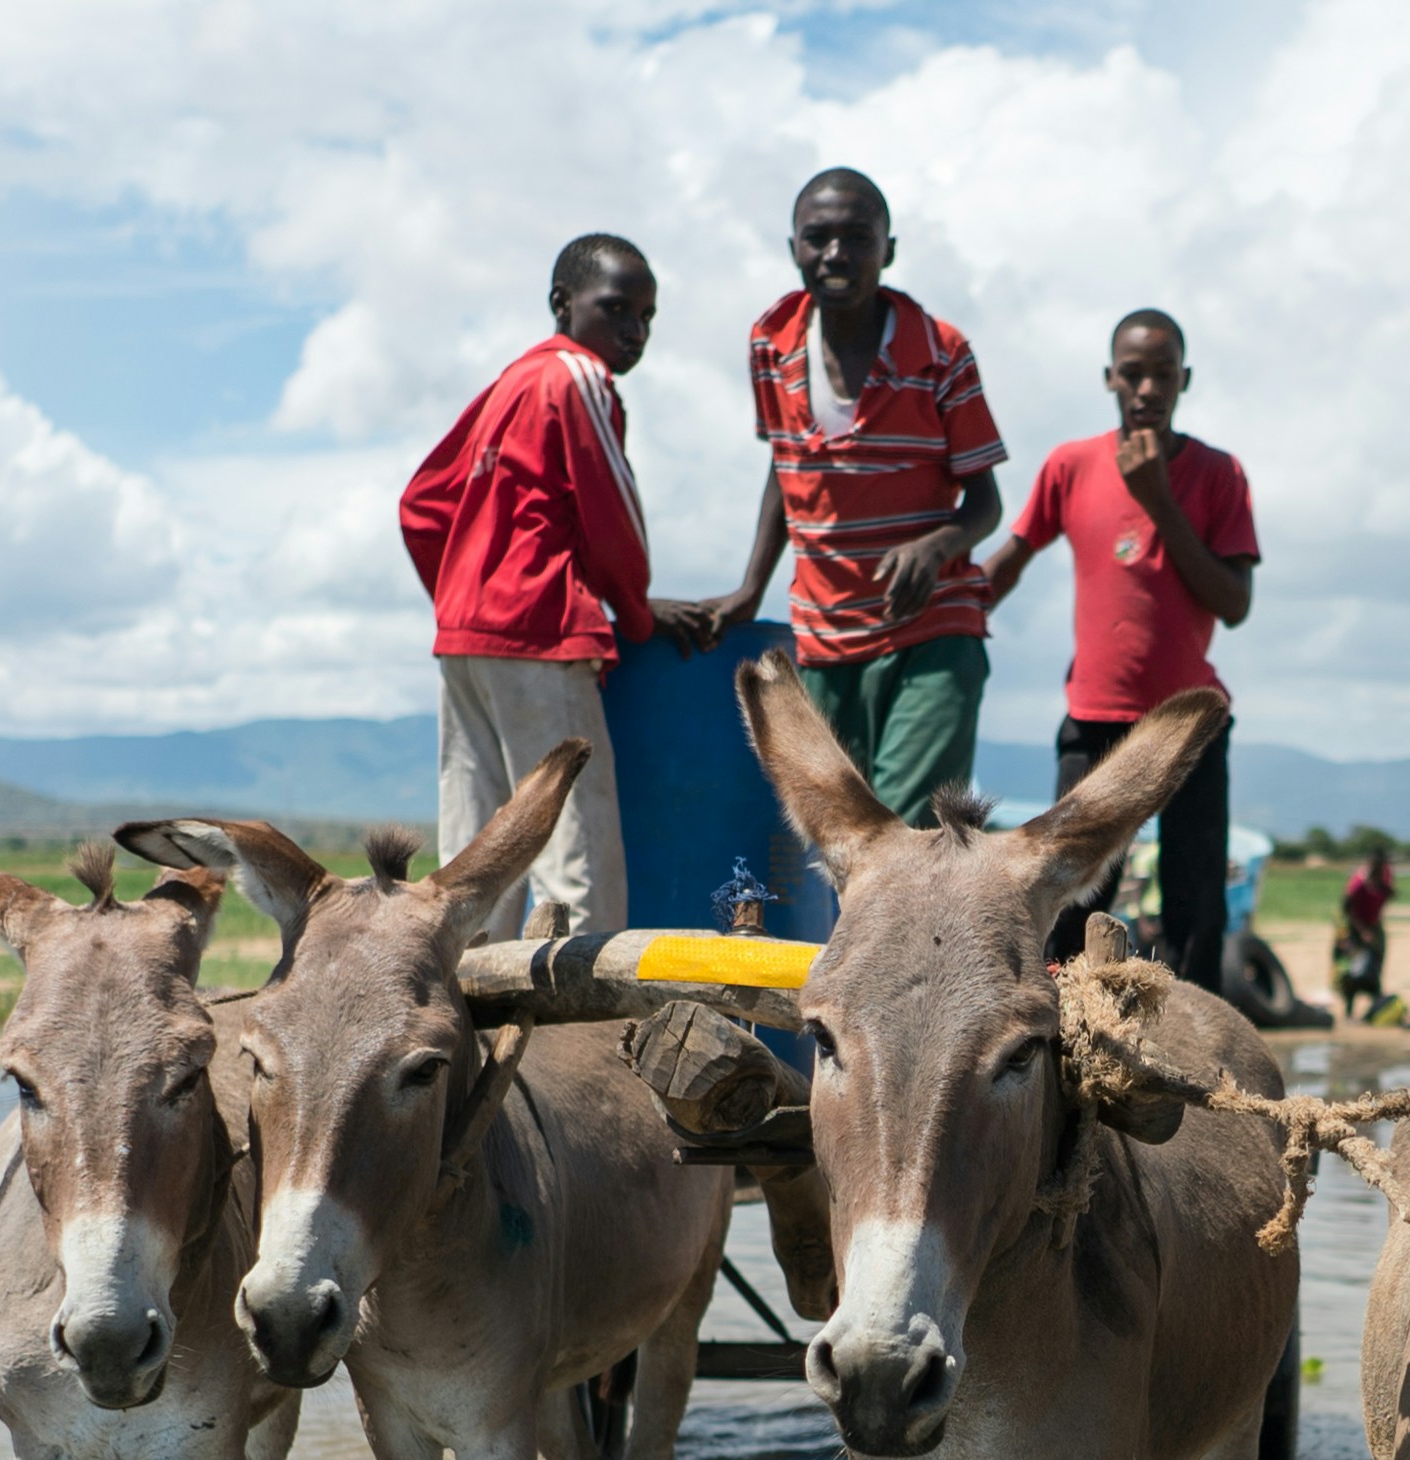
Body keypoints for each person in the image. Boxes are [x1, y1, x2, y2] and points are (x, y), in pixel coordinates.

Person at [398, 233, 712, 936]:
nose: (634, 331)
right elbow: (611, 514)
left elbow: (422, 504)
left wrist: (463, 595)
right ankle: (585, 1042)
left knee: (476, 855)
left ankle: (468, 1022)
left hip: (466, 640)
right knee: (575, 851)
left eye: (647, 318)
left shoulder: (509, 384)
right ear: (562, 305)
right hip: (541, 633)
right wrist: (634, 611)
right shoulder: (577, 377)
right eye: (617, 309)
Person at [703, 168, 1006, 823]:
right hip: (823, 633)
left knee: (899, 829)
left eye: (857, 238)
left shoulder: (941, 354)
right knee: (839, 833)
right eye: (818, 238)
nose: (836, 254)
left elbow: (986, 503)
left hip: (931, 630)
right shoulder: (770, 344)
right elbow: (787, 467)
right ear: (794, 250)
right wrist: (751, 587)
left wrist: (937, 545)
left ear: (888, 250)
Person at [986, 308, 1258, 985]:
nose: (1146, 390)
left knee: (1195, 902)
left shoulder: (1218, 475)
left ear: (1184, 380)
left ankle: (1198, 1069)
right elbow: (1012, 557)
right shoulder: (1070, 465)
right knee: (1071, 896)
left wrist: (1159, 501)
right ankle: (1063, 1053)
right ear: (1109, 377)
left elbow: (1235, 603)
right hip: (1096, 716)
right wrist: (951, 608)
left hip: (1188, 723)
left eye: (1163, 375)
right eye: (1133, 374)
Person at [1335, 844, 1393, 1021]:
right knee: (1354, 972)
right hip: (1356, 929)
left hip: (1374, 928)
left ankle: (1374, 1010)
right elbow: (1347, 910)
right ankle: (1349, 1011)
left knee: (1375, 967)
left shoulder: (1384, 879)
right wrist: (1362, 932)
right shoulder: (1358, 883)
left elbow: (1389, 895)